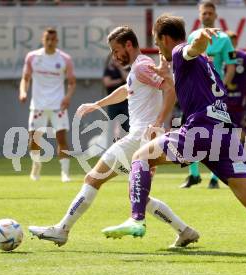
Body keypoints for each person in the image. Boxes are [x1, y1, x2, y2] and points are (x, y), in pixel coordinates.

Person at [101, 14, 246, 261]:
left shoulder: (180, 51)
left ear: (164, 38)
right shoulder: (204, 63)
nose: (157, 47)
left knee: (141, 156)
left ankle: (137, 219)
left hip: (202, 130)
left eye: (157, 41)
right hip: (225, 135)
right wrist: (169, 72)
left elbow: (191, 47)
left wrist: (200, 37)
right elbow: (192, 69)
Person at [28, 26, 199, 248]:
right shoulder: (139, 68)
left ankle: (62, 230)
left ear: (128, 45)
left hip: (139, 137)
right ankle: (185, 231)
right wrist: (97, 105)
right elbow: (127, 91)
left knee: (92, 179)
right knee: (139, 196)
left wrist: (158, 123)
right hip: (145, 139)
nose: (114, 55)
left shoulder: (142, 66)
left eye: (116, 49)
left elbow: (170, 88)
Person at [181, 0, 237, 189]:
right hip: (195, 92)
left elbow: (231, 64)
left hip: (214, 94)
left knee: (216, 134)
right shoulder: (193, 37)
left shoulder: (224, 38)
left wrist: (224, 86)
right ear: (199, 15)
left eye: (209, 13)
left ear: (215, 15)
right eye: (203, 13)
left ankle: (215, 177)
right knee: (190, 131)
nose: (206, 16)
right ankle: (194, 174)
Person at [19, 28, 76, 182]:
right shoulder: (32, 57)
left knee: (62, 139)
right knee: (34, 140)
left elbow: (71, 82)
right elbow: (25, 78)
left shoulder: (65, 59)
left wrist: (68, 97)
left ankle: (65, 173)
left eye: (53, 39)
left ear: (57, 41)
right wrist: (23, 92)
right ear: (43, 40)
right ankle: (36, 165)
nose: (50, 42)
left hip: (58, 105)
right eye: (47, 39)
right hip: (38, 105)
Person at [103, 54, 130, 136]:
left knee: (127, 126)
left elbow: (127, 79)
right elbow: (107, 83)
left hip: (125, 102)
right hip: (113, 103)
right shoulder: (109, 70)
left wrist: (120, 68)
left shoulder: (126, 68)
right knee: (112, 125)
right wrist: (120, 80)